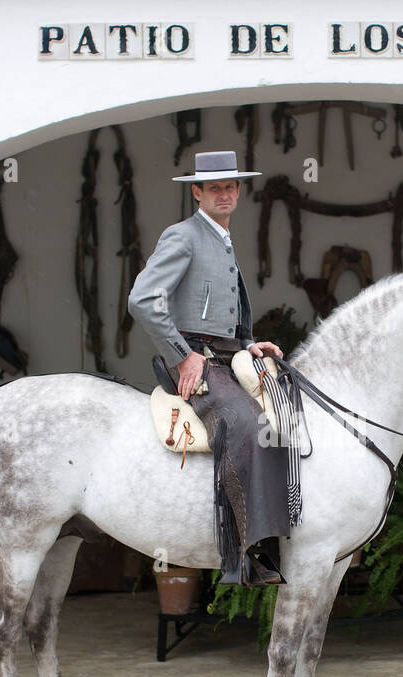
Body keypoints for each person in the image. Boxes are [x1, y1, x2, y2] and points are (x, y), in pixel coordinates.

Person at [127, 150, 289, 586]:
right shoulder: (183, 236)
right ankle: (252, 549)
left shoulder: (223, 239)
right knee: (246, 421)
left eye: (230, 186)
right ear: (196, 192)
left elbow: (225, 314)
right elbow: (142, 300)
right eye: (214, 187)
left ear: (238, 191)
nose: (224, 193)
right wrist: (183, 354)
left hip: (227, 354)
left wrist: (250, 343)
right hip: (196, 359)